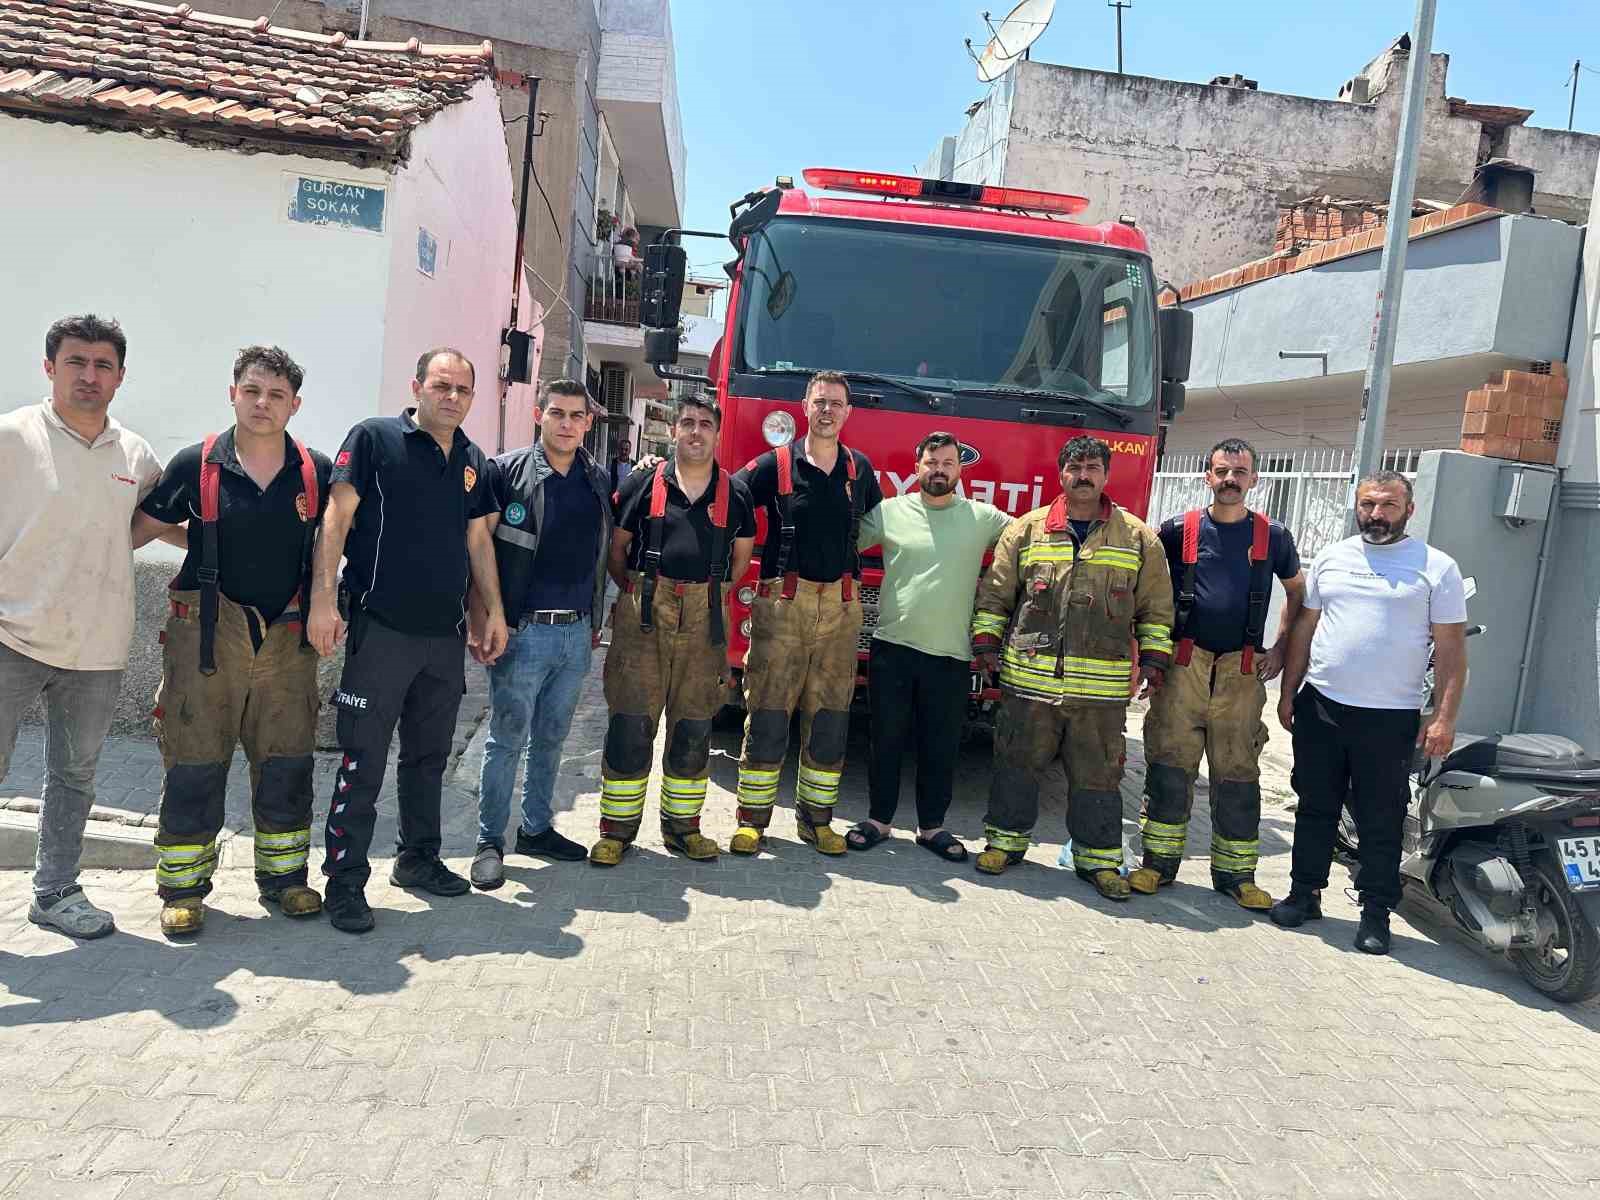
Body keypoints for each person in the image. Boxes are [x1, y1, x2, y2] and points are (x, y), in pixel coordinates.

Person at [131, 346, 333, 937]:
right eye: (252, 391)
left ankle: (285, 878)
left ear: (295, 405)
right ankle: (183, 889)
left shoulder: (315, 471)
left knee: (287, 759)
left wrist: (328, 603)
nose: (262, 403)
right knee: (194, 759)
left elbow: (333, 539)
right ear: (233, 394)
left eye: (276, 395)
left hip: (288, 638)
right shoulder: (195, 464)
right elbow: (138, 530)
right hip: (207, 635)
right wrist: (200, 542)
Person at [306, 348, 507, 934]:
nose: (452, 397)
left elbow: (477, 542)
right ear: (417, 387)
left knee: (428, 758)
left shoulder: (472, 460)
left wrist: (492, 611)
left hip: (443, 638)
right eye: (441, 385)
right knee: (363, 759)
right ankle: (345, 881)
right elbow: (336, 519)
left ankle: (418, 859)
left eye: (462, 390)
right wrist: (323, 599)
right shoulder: (374, 439)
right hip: (382, 631)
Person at [0, 314, 162, 939]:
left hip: (97, 645)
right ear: (50, 367)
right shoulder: (12, 436)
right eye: (76, 362)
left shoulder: (135, 454)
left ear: (120, 376)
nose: (89, 375)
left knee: (74, 778)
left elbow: (161, 521)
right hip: (10, 635)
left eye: (102, 365)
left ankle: (56, 892)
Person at [1270, 471, 1468, 955]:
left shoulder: (1437, 568)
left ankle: (1376, 911)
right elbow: (1305, 630)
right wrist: (1289, 691)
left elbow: (1451, 652)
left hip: (1389, 717)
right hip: (1322, 706)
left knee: (1381, 816)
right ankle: (1304, 893)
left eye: (1388, 506)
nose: (1376, 515)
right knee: (1315, 805)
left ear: (1409, 510)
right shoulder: (1333, 558)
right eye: (1367, 505)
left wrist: (1443, 718)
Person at [970, 435, 1174, 898]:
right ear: (1061, 474)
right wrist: (986, 645)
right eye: (1075, 468)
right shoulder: (1026, 530)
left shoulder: (1138, 538)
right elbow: (996, 595)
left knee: (1098, 776)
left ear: (1106, 475)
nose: (1083, 476)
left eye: (1092, 468)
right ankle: (1003, 845)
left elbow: (1156, 608)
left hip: (1100, 695)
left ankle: (1098, 861)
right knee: (1016, 765)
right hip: (1029, 683)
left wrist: (1154, 659)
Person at [1130, 437, 1304, 911]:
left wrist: (1281, 648)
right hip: (1183, 666)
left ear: (1254, 480)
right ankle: (1157, 865)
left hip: (1241, 672)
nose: (1230, 480)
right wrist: (1145, 653)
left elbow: (1297, 593)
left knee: (1238, 774)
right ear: (1208, 476)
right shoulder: (1177, 531)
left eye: (1239, 472)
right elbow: (1142, 586)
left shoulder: (1273, 537)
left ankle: (1236, 876)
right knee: (1169, 766)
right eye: (1222, 471)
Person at [589, 396, 756, 866]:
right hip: (644, 616)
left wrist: (705, 595)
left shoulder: (736, 493)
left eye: (705, 424)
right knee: (630, 723)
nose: (696, 431)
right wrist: (641, 591)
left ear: (717, 433)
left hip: (705, 620)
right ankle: (616, 832)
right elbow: (617, 552)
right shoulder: (644, 482)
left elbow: (740, 560)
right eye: (687, 423)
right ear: (674, 431)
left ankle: (683, 829)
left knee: (694, 726)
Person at [731, 370, 884, 856]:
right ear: (804, 407)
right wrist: (658, 470)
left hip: (841, 609)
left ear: (848, 413)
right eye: (820, 402)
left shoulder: (860, 470)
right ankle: (752, 821)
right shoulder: (775, 464)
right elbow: (726, 497)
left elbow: (878, 526)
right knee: (769, 713)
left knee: (831, 718)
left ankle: (816, 821)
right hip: (784, 606)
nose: (827, 411)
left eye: (836, 403)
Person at [468, 379, 612, 890]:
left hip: (575, 633)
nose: (567, 424)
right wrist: (483, 617)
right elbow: (478, 546)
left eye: (576, 416)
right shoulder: (505, 472)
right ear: (539, 415)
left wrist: (595, 621)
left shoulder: (596, 478)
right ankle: (489, 842)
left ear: (588, 423)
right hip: (523, 632)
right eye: (557, 413)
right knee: (506, 739)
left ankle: (536, 829)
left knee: (551, 738)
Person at [844, 431, 1010, 862]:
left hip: (951, 656)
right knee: (886, 740)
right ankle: (879, 820)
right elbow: (841, 540)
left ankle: (932, 826)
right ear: (917, 467)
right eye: (931, 462)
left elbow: (1031, 537)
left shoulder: (983, 518)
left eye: (948, 463)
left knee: (941, 746)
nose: (939, 470)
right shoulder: (889, 512)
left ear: (959, 470)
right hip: (892, 649)